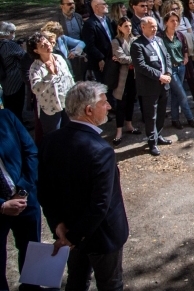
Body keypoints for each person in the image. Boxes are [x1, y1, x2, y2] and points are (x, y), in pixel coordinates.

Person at [37, 81, 128, 291]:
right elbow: (100, 204)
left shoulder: (49, 142)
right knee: (111, 285)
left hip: (68, 229)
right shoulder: (100, 150)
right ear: (89, 110)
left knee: (76, 282)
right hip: (101, 237)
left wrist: (58, 225)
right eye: (104, 103)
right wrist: (72, 237)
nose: (109, 107)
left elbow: (44, 190)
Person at [0, 109, 41, 291]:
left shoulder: (6, 117)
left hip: (25, 200)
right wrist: (1, 205)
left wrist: (23, 190)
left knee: (32, 251)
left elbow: (31, 151)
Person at [131, 17, 173, 156]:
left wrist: (167, 73)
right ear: (143, 27)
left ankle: (158, 135)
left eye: (155, 26)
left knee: (161, 112)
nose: (155, 29)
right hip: (149, 86)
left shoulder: (159, 40)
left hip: (163, 84)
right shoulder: (137, 45)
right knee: (151, 116)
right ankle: (151, 142)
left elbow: (166, 57)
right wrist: (159, 76)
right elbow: (141, 66)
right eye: (152, 27)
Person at [28, 33, 74, 137]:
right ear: (36, 51)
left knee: (69, 134)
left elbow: (69, 79)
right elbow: (35, 89)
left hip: (67, 103)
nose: (48, 45)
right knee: (54, 138)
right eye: (42, 45)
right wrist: (49, 75)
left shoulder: (59, 58)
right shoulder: (35, 68)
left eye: (47, 42)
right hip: (50, 109)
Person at [160, 11, 194, 130]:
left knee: (175, 94)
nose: (175, 23)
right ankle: (190, 117)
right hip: (169, 69)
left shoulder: (180, 35)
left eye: (176, 20)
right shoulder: (160, 37)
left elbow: (185, 47)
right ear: (166, 22)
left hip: (181, 66)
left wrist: (186, 57)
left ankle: (175, 119)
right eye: (172, 20)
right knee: (182, 94)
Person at [110, 17, 141, 146]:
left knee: (130, 102)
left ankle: (129, 125)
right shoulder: (116, 41)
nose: (128, 28)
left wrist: (130, 59)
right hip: (122, 77)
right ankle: (118, 131)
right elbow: (121, 58)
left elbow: (139, 56)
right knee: (121, 103)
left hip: (133, 76)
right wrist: (133, 59)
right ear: (119, 27)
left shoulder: (135, 40)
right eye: (125, 26)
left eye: (129, 26)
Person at [82, 0, 116, 86]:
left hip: (111, 57)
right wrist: (100, 58)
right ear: (96, 7)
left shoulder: (107, 19)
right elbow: (90, 45)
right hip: (100, 61)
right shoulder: (89, 24)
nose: (107, 6)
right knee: (105, 85)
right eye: (104, 4)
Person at [0, 22, 26, 121]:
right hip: (15, 80)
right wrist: (23, 48)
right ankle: (19, 124)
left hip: (4, 80)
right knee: (17, 106)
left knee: (9, 105)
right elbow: (24, 56)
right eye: (12, 32)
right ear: (8, 32)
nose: (13, 34)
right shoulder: (10, 44)